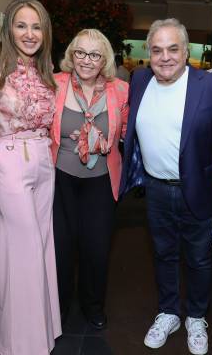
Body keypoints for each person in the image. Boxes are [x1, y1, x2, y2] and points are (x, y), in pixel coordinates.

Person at [120, 18, 212, 355]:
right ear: (148, 53)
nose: (165, 57)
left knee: (198, 258)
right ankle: (168, 312)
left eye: (173, 49)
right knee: (163, 254)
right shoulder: (138, 80)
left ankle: (196, 316)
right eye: (157, 50)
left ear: (186, 51)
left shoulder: (209, 85)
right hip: (155, 189)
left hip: (197, 187)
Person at [0, 0, 61, 354]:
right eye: (21, 25)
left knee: (43, 245)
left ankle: (45, 331)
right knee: (22, 249)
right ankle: (22, 344)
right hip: (10, 158)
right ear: (8, 28)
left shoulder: (46, 70)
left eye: (37, 27)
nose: (29, 34)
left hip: (44, 160)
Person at [51, 28, 129, 329]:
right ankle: (57, 307)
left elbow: (126, 134)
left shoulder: (120, 89)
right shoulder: (55, 84)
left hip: (100, 178)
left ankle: (93, 305)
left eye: (94, 54)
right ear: (71, 55)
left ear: (104, 59)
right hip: (60, 178)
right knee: (61, 247)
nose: (86, 60)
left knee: (96, 248)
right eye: (80, 52)